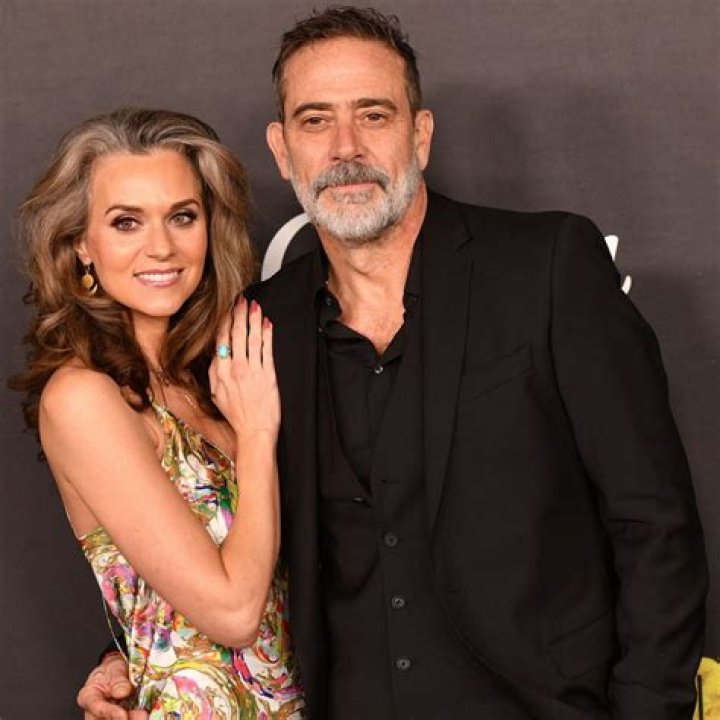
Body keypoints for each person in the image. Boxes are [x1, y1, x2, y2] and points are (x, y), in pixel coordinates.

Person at [79, 7, 707, 720]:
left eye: (373, 115)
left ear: (421, 134)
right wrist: (127, 658)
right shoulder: (255, 325)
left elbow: (654, 522)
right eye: (315, 121)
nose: (345, 148)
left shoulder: (546, 268)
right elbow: (223, 531)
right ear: (282, 150)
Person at [12, 108, 304, 718]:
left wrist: (118, 656)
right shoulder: (84, 398)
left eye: (182, 216)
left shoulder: (217, 381)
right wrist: (257, 434)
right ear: (81, 245)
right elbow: (233, 612)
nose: (162, 246)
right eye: (126, 222)